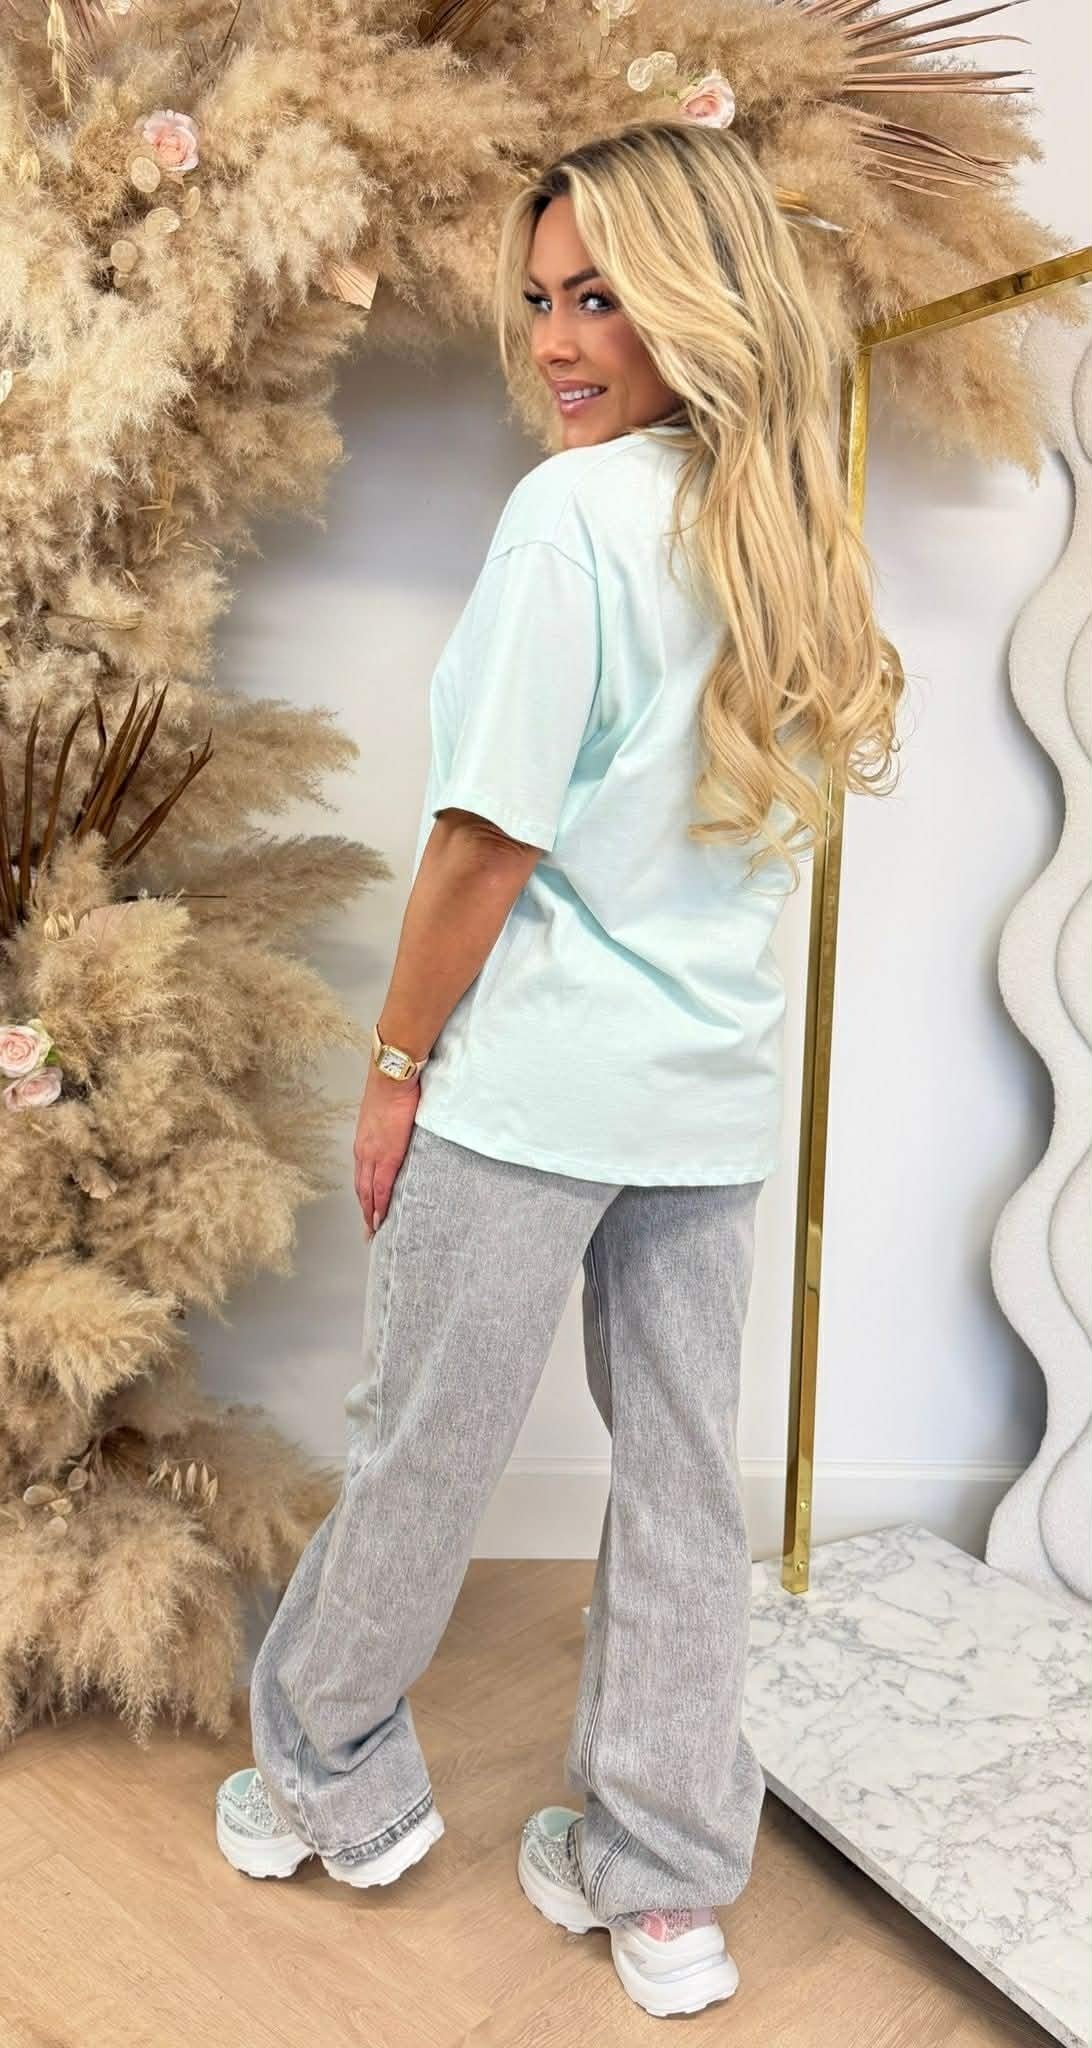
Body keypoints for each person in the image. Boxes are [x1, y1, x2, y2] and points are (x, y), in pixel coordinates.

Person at [214, 119, 901, 2020]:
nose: (556, 343)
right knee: (682, 1486)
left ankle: (327, 1780)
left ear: (696, 294)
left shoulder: (573, 519)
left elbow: (481, 844)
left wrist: (393, 1064)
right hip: (710, 1096)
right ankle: (663, 1888)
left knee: (423, 1443)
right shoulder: (794, 537)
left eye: (600, 295)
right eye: (539, 300)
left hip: (529, 1090)